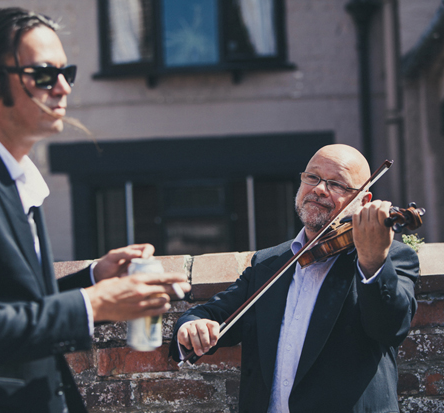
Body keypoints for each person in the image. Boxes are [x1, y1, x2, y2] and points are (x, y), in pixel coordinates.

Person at [0, 8, 189, 413]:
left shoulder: (10, 174)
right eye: (41, 74)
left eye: (65, 73)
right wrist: (93, 303)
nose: (62, 88)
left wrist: (93, 278)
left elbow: (13, 303)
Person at [170, 144, 419, 412]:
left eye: (337, 184)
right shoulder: (270, 262)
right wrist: (191, 326)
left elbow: (390, 328)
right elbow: (212, 313)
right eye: (312, 177)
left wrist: (373, 260)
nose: (319, 189)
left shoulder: (390, 257)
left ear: (365, 201)